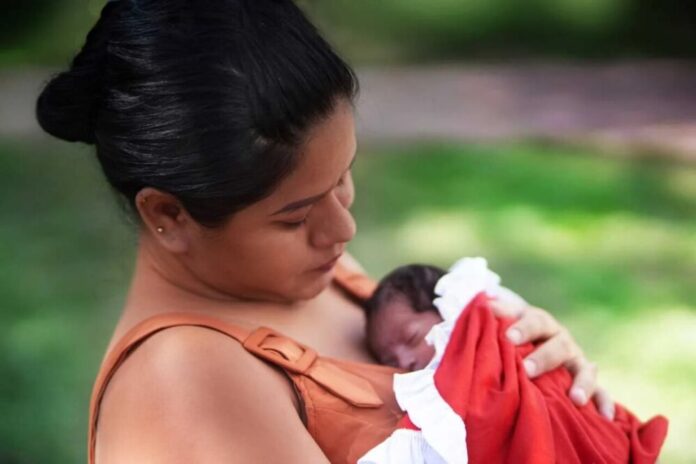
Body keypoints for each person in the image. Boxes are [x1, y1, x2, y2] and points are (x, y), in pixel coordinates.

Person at [35, 1, 615, 462]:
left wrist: (540, 384)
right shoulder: (183, 383)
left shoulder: (312, 275)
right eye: (294, 216)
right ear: (169, 215)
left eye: (343, 177)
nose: (343, 228)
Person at [361, 261, 667, 463]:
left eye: (412, 338)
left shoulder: (476, 319)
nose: (404, 361)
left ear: (445, 308)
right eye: (389, 360)